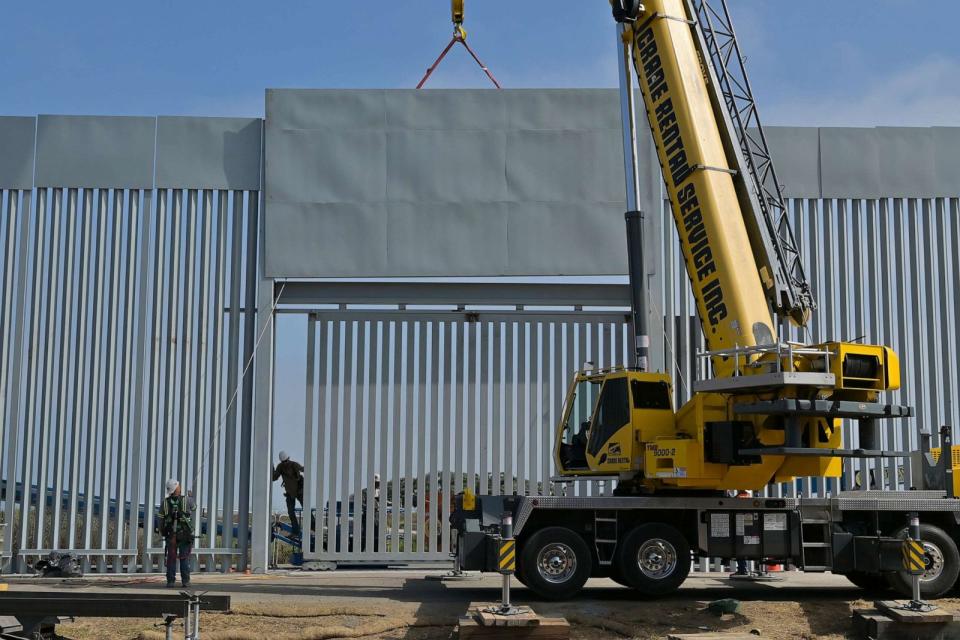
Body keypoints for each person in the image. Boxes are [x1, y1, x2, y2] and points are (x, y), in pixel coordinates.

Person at [159, 479, 195, 588]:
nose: (180, 487)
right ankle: (185, 581)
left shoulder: (165, 503)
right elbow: (194, 507)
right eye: (178, 485)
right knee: (184, 558)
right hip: (184, 534)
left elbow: (160, 520)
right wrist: (191, 496)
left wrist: (163, 532)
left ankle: (170, 581)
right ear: (176, 488)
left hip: (171, 535)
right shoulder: (187, 500)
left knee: (171, 558)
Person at [272, 451, 304, 537]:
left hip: (297, 492)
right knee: (291, 512)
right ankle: (296, 531)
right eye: (284, 462)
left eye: (285, 461)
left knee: (301, 511)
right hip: (292, 493)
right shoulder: (284, 466)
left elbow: (302, 469)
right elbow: (274, 477)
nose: (285, 463)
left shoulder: (290, 465)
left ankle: (311, 526)